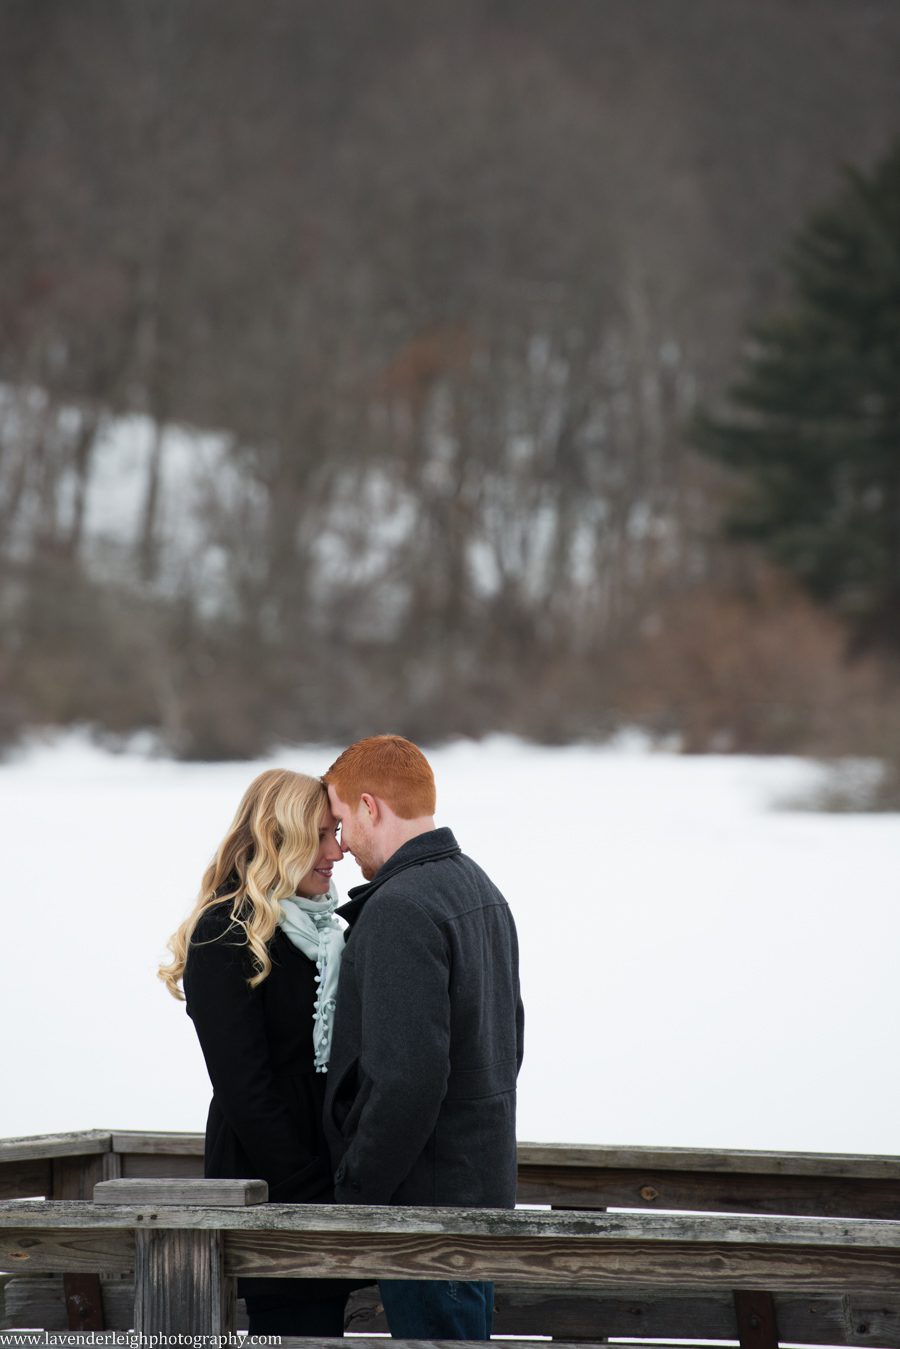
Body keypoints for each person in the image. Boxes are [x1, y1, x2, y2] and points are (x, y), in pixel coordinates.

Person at [323, 734, 525, 1340]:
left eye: (339, 822)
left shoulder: (400, 909)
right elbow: (509, 1044)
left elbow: (406, 1079)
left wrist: (353, 1193)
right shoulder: (479, 888)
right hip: (477, 1202)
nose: (339, 843)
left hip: (425, 1222)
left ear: (368, 806)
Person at [158, 768, 353, 1337]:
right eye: (319, 835)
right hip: (268, 1183)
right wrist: (310, 1192)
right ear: (278, 839)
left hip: (331, 1181)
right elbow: (245, 1089)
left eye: (336, 832)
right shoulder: (224, 935)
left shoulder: (331, 934)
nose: (336, 852)